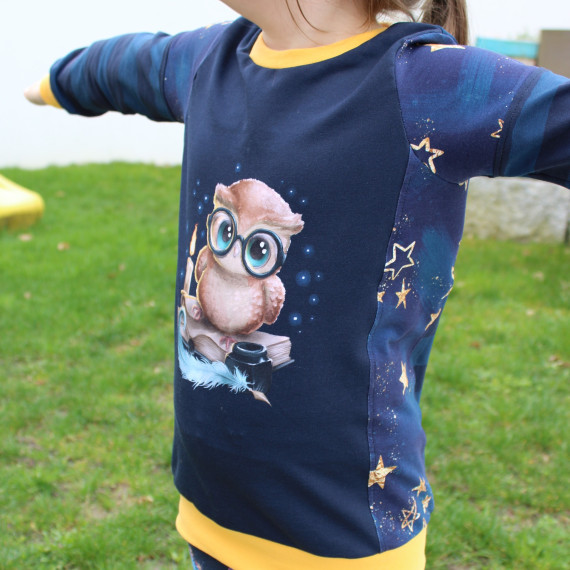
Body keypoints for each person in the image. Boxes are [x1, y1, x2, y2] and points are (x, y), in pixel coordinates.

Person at [25, 1, 570, 568]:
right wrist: (51, 85)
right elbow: (126, 66)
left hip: (341, 539)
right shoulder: (209, 61)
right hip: (209, 514)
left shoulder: (424, 83)